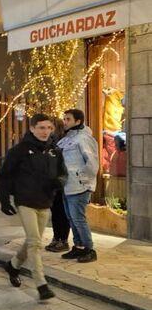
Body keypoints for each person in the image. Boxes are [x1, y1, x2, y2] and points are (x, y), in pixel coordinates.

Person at [0, 113, 67, 301]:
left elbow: (63, 173)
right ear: (32, 128)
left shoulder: (55, 151)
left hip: (45, 202)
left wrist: (59, 182)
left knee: (31, 241)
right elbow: (5, 176)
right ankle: (41, 284)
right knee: (36, 243)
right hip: (25, 201)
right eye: (42, 128)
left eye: (49, 128)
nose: (46, 131)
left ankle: (12, 265)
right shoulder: (19, 151)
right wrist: (4, 200)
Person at [57, 108, 99, 263]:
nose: (65, 121)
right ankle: (79, 247)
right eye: (64, 118)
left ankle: (89, 249)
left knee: (78, 218)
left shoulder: (84, 138)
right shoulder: (67, 138)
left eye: (68, 119)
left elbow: (93, 163)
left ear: (78, 121)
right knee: (71, 218)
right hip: (67, 186)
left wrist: (81, 179)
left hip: (79, 186)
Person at [45, 118, 70, 252]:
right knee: (55, 212)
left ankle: (63, 240)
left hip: (61, 182)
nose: (48, 129)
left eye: (50, 127)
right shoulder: (49, 142)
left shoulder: (62, 143)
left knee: (62, 212)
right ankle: (56, 237)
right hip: (52, 183)